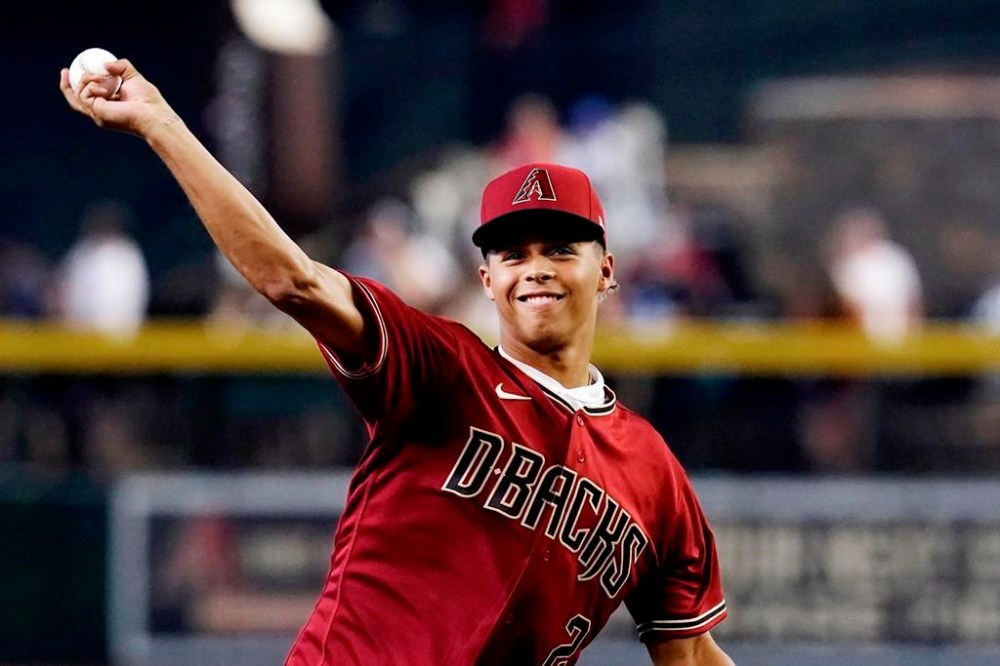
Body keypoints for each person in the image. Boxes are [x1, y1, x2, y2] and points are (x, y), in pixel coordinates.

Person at [62, 57, 733, 666]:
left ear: (607, 271)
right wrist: (160, 122)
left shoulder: (656, 479)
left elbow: (694, 655)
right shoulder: (440, 366)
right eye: (512, 253)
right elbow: (292, 280)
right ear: (487, 277)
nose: (535, 269)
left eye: (560, 249)